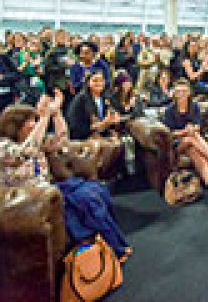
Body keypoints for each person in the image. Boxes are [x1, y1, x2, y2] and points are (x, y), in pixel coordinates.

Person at [0, 90, 132, 261]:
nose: (34, 125)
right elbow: (25, 153)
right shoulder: (4, 146)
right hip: (29, 200)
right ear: (15, 125)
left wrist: (56, 113)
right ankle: (105, 251)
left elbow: (61, 139)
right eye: (30, 121)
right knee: (83, 199)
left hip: (50, 188)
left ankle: (110, 247)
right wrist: (44, 118)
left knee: (93, 191)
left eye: (34, 120)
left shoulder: (37, 139)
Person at [163, 79, 208, 193]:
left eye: (184, 91)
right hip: (177, 144)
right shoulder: (169, 110)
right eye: (178, 92)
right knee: (191, 138)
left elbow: (198, 126)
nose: (181, 94)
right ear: (174, 93)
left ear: (189, 92)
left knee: (197, 155)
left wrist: (192, 129)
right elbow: (170, 133)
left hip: (193, 141)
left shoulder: (194, 107)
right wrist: (185, 131)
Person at [67, 70, 121, 140]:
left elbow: (117, 113)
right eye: (95, 81)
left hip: (102, 133)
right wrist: (104, 123)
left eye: (101, 81)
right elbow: (76, 126)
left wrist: (115, 118)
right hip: (83, 136)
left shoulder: (106, 97)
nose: (99, 83)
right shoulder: (81, 99)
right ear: (88, 82)